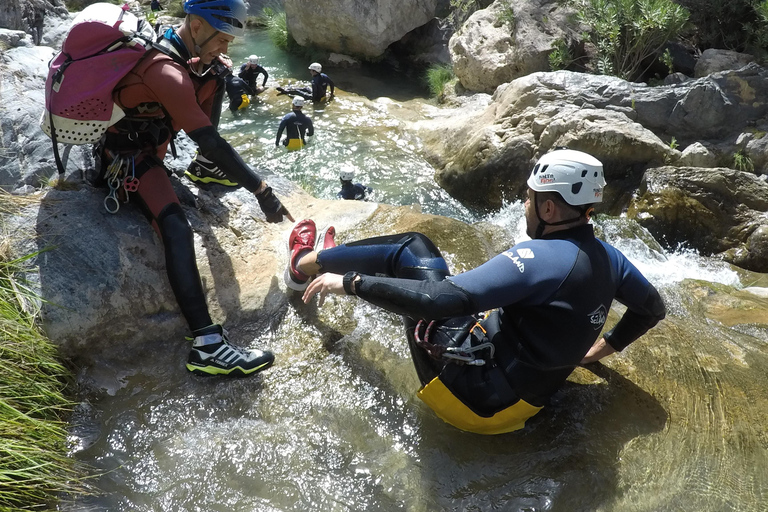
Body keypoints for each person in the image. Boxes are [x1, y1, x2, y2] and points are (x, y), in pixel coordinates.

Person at [285, 149, 666, 435]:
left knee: (413, 248)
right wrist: (598, 351)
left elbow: (440, 302)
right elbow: (652, 309)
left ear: (548, 208)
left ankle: (305, 264)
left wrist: (352, 283)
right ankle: (331, 257)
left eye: (529, 198)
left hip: (469, 401)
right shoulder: (612, 258)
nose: (524, 205)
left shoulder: (538, 258)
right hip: (522, 407)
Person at [99, 0, 294, 376]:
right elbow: (212, 142)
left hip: (148, 149)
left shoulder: (183, 53)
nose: (227, 48)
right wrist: (262, 191)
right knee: (176, 229)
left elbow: (202, 116)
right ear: (197, 27)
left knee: (218, 74)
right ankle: (206, 345)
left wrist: (211, 70)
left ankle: (204, 170)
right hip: (126, 159)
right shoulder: (165, 71)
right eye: (222, 39)